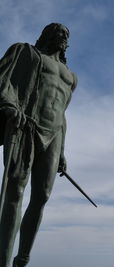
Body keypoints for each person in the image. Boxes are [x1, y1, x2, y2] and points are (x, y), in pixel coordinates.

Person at [0, 23, 77, 267]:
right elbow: (3, 80)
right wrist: (9, 105)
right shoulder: (27, 53)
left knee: (41, 196)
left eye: (65, 34)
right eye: (57, 32)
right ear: (45, 36)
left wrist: (62, 150)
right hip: (26, 126)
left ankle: (22, 260)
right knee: (15, 191)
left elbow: (62, 113)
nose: (62, 36)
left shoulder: (71, 76)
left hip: (53, 135)